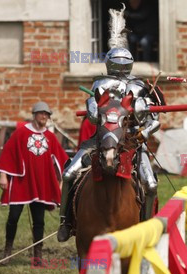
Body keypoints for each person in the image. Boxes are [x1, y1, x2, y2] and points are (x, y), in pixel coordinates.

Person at [57, 6, 163, 242]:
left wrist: (143, 131)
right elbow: (93, 115)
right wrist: (97, 107)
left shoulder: (139, 87)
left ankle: (144, 229)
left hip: (132, 142)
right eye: (116, 63)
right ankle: (65, 222)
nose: (120, 67)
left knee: (151, 183)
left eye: (123, 63)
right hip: (100, 140)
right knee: (69, 174)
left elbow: (155, 121)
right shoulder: (100, 85)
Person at [0, 102, 69, 264]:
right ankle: (7, 252)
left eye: (47, 114)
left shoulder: (50, 137)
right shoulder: (21, 132)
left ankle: (37, 256)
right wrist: (3, 176)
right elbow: (8, 154)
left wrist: (62, 181)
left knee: (39, 221)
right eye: (42, 113)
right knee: (13, 217)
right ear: (34, 114)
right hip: (22, 182)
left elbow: (62, 160)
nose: (45, 117)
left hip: (40, 185)